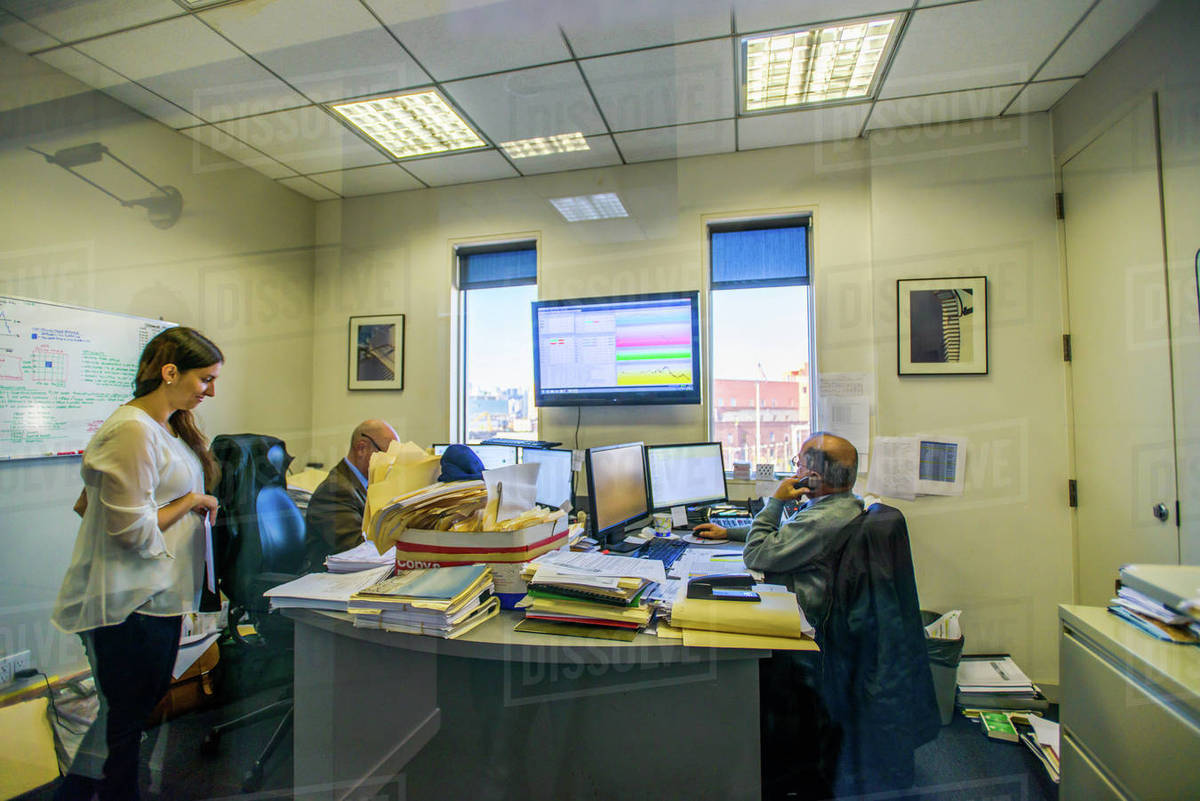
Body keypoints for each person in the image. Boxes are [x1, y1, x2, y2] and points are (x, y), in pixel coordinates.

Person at [51, 327, 224, 801]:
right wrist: (189, 500)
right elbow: (130, 531)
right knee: (126, 724)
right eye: (205, 379)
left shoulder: (164, 426)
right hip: (130, 604)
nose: (210, 390)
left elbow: (88, 505)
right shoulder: (131, 428)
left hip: (156, 597)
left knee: (124, 719)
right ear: (170, 372)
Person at [694, 431, 863, 629]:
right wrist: (727, 532)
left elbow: (754, 554)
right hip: (794, 596)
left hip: (798, 615)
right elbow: (785, 533)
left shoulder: (821, 520)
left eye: (799, 464)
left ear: (814, 478)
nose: (796, 470)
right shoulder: (843, 504)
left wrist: (777, 501)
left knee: (702, 599)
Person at [303, 419, 398, 571]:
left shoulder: (363, 484)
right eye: (388, 456)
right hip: (332, 582)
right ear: (362, 448)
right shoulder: (334, 491)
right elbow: (356, 550)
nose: (391, 465)